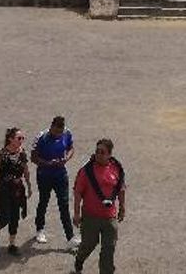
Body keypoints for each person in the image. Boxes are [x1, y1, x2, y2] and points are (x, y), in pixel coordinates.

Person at [73, 138, 126, 274]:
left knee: (108, 250)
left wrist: (122, 207)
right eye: (97, 151)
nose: (99, 154)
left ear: (109, 154)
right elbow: (78, 192)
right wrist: (77, 213)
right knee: (88, 245)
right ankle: (79, 259)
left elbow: (121, 189)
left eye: (102, 152)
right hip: (91, 217)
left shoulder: (116, 168)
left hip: (109, 218)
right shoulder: (86, 171)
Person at [31, 116, 79, 248]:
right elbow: (33, 157)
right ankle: (39, 230)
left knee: (63, 204)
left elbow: (71, 148)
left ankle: (70, 237)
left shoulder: (67, 133)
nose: (58, 134)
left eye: (60, 132)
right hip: (44, 175)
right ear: (51, 127)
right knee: (44, 201)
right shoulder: (41, 137)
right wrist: (47, 163)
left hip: (60, 174)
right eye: (56, 132)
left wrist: (66, 159)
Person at [0, 127, 32, 255]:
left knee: (15, 217)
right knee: (5, 215)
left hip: (17, 189)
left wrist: (28, 185)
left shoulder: (22, 153)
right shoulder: (1, 155)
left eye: (23, 138)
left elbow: (26, 171)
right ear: (10, 139)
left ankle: (12, 244)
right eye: (19, 138)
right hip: (4, 189)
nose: (21, 140)